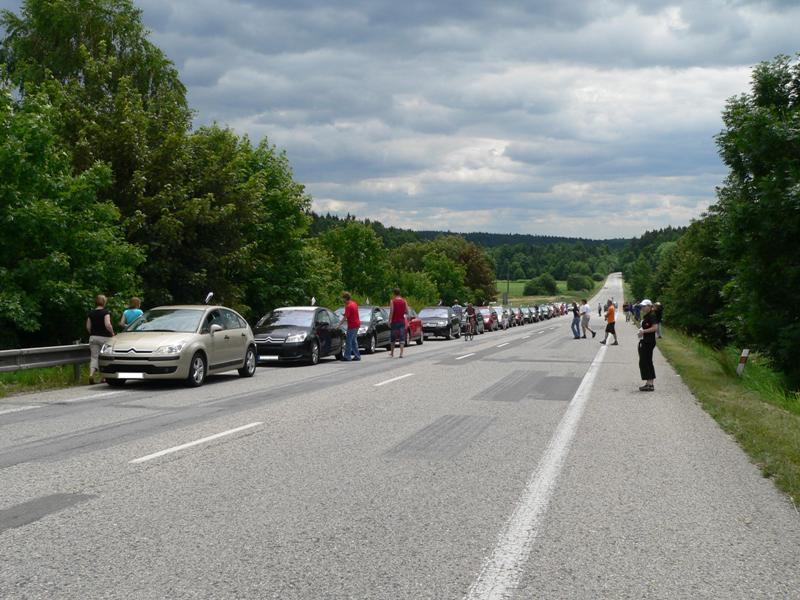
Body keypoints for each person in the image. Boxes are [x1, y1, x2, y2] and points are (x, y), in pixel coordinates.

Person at [86, 294, 115, 384]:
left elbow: (88, 326)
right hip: (105, 338)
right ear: (104, 302)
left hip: (93, 337)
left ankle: (91, 375)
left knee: (94, 357)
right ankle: (103, 377)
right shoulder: (105, 312)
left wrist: (93, 333)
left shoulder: (91, 313)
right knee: (105, 357)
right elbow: (107, 324)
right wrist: (112, 333)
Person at [637, 299, 658, 391]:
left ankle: (650, 384)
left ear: (649, 306)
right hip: (644, 340)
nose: (642, 308)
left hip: (648, 342)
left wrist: (643, 331)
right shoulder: (647, 315)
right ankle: (649, 383)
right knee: (645, 361)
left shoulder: (652, 315)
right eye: (642, 306)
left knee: (646, 361)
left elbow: (655, 328)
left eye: (644, 306)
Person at [337, 292, 361, 362]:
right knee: (353, 341)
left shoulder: (348, 306)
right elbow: (350, 314)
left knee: (348, 341)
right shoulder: (354, 303)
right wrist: (345, 314)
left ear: (345, 298)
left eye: (343, 298)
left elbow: (345, 317)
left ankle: (347, 356)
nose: (342, 299)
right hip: (357, 324)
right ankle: (357, 356)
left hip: (352, 325)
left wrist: (339, 325)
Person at [388, 287, 408, 358]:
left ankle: (392, 353)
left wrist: (389, 320)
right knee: (402, 336)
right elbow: (407, 311)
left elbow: (391, 311)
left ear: (394, 293)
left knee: (393, 337)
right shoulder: (404, 301)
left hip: (394, 321)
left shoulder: (392, 301)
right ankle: (401, 353)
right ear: (399, 293)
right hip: (402, 321)